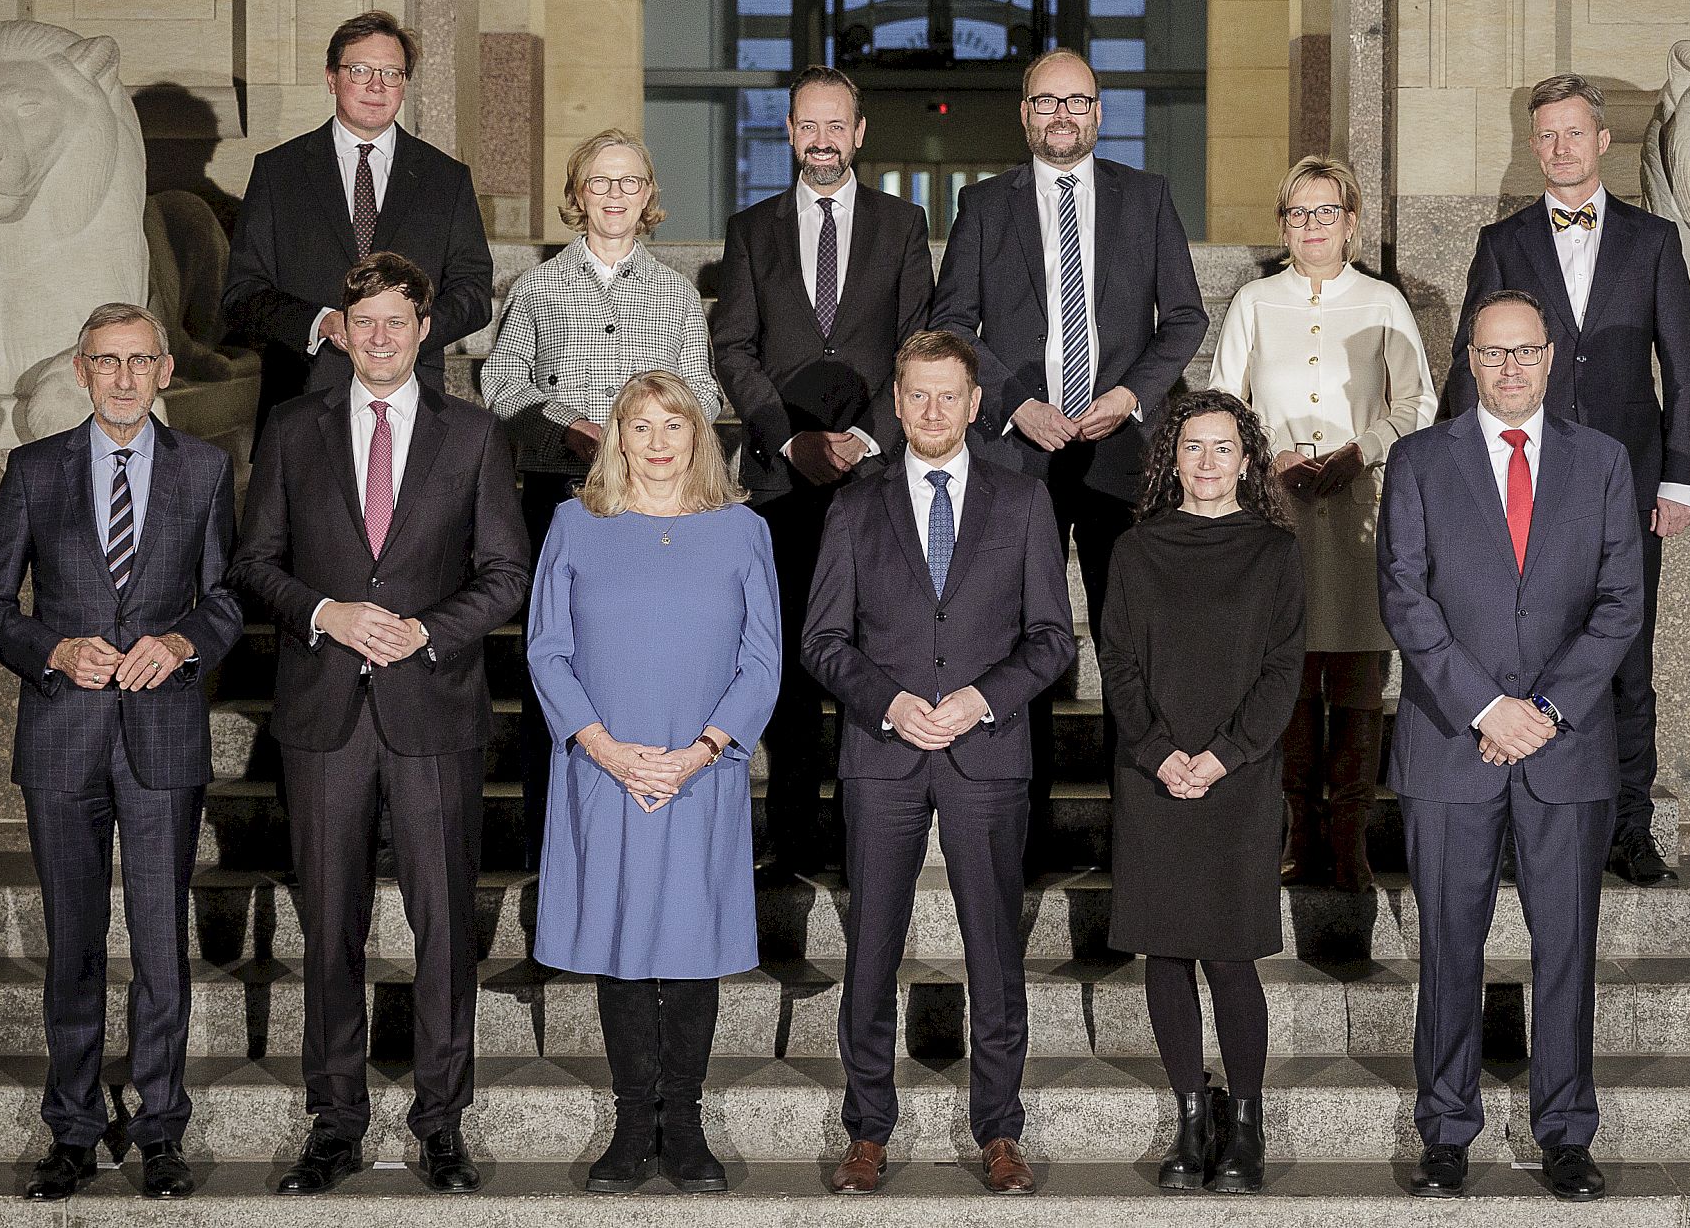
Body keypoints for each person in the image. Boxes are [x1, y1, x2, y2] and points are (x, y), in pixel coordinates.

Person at [227, 251, 532, 1196]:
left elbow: (505, 574)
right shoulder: (291, 428)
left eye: (398, 321)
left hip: (433, 710)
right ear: (342, 332)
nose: (382, 337)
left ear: (425, 328)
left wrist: (425, 633)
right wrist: (325, 615)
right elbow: (254, 562)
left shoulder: (474, 435)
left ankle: (441, 1121)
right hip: (324, 712)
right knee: (330, 924)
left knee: (444, 925)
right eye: (365, 324)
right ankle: (335, 1121)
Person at [0, 304, 244, 1202]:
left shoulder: (203, 470)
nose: (123, 378)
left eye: (139, 362)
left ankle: (160, 1131)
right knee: (73, 946)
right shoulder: (34, 471)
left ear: (166, 371)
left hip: (163, 738)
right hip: (62, 738)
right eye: (105, 361)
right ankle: (74, 1131)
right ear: (81, 371)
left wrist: (184, 641)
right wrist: (52, 649)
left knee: (161, 948)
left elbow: (229, 597)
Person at [1381, 289, 1644, 1203]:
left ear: (1552, 355)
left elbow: (1620, 606)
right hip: (1453, 743)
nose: (1509, 369)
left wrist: (1545, 712)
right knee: (1450, 946)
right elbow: (1405, 600)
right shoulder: (1417, 461)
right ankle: (1447, 1130)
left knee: (1566, 947)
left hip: (1565, 752)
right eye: (1492, 354)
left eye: (1525, 352)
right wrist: (1489, 707)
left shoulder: (1604, 462)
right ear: (1468, 359)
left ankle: (1565, 1132)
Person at [802, 330, 1076, 1197]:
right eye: (917, 395)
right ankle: (868, 1130)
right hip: (883, 755)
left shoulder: (1024, 502)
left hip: (987, 752)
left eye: (948, 395)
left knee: (994, 951)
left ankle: (999, 1130)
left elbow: (1051, 639)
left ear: (974, 401)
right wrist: (888, 701)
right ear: (897, 397)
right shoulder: (854, 505)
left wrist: (979, 699)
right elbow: (823, 639)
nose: (931, 411)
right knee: (872, 948)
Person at [931, 49, 1208, 864]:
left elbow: (1184, 319)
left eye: (1077, 101)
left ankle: (1139, 834)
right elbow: (952, 321)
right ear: (1025, 113)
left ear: (1099, 112)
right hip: (1018, 460)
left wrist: (1128, 397)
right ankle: (1026, 835)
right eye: (1046, 101)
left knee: (1131, 643)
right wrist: (1017, 402)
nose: (1062, 115)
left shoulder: (1144, 196)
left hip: (1122, 452)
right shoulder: (984, 203)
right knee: (1024, 646)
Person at [1445, 73, 1690, 887]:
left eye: (1574, 134)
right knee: (1526, 651)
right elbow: (1469, 364)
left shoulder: (1653, 240)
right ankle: (1524, 829)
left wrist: (1681, 479)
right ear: (1535, 148)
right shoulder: (1503, 240)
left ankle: (1631, 827)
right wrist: (1458, 480)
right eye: (1546, 137)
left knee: (1627, 659)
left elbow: (1686, 364)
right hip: (1528, 480)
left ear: (1602, 141)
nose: (1560, 149)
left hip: (1629, 483)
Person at [524, 371, 780, 1195]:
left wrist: (701, 752)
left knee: (691, 941)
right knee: (626, 942)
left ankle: (688, 1126)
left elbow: (763, 661)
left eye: (675, 424)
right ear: (617, 437)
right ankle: (635, 1124)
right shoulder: (574, 523)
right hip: (605, 767)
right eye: (641, 426)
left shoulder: (741, 530)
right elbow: (545, 651)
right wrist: (604, 747)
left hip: (702, 770)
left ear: (699, 435)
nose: (659, 441)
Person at [711, 65, 935, 876]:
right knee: (797, 656)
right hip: (782, 480)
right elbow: (732, 345)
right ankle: (793, 834)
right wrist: (785, 437)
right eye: (809, 125)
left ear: (860, 133)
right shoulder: (753, 229)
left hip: (876, 477)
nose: (823, 140)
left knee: (873, 652)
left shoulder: (904, 224)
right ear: (790, 131)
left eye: (836, 125)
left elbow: (918, 346)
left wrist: (869, 438)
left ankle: (870, 832)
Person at [484, 129, 723, 865]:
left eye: (629, 181)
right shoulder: (537, 289)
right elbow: (498, 382)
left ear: (650, 197)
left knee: (645, 664)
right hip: (565, 499)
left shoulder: (676, 295)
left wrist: (657, 430)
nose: (615, 194)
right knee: (553, 665)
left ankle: (649, 825)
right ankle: (550, 844)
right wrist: (572, 426)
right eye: (599, 182)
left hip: (658, 507)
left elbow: (706, 389)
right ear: (576, 196)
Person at [1097, 389, 1306, 1195]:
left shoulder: (1275, 551)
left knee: (1226, 952)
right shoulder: (1136, 549)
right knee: (1165, 948)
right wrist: (1159, 753)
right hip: (1152, 776)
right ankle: (1192, 1119)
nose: (1209, 463)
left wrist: (1219, 757)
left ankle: (1243, 1123)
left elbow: (1284, 669)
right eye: (1193, 447)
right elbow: (1117, 663)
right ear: (1170, 459)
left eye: (1224, 448)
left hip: (1240, 779)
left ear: (1247, 460)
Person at [1210, 155, 1436, 890]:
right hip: (1277, 517)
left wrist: (1360, 451)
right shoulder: (1253, 301)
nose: (1312, 226)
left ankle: (1349, 837)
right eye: (1298, 214)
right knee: (1292, 675)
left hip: (1361, 513)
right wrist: (1267, 458)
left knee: (1359, 677)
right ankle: (1299, 832)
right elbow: (1223, 404)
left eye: (1326, 213)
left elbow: (1418, 406)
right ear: (1282, 224)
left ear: (1351, 223)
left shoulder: (1381, 302)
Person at [224, 9, 494, 407]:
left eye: (391, 74)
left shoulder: (445, 178)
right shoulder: (279, 171)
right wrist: (321, 323)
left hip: (412, 393)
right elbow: (243, 293)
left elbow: (473, 292)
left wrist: (409, 331)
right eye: (360, 71)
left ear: (404, 85)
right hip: (304, 392)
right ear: (332, 78)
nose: (376, 86)